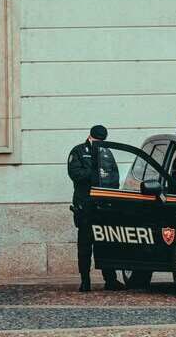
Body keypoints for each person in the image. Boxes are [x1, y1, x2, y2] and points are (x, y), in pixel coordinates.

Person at [67, 124, 124, 292]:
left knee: (107, 243)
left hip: (104, 205)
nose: (100, 143)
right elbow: (75, 174)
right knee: (85, 245)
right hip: (85, 205)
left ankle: (110, 279)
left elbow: (114, 175)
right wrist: (94, 171)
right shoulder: (78, 151)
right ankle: (85, 281)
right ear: (91, 137)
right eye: (98, 140)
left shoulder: (107, 152)